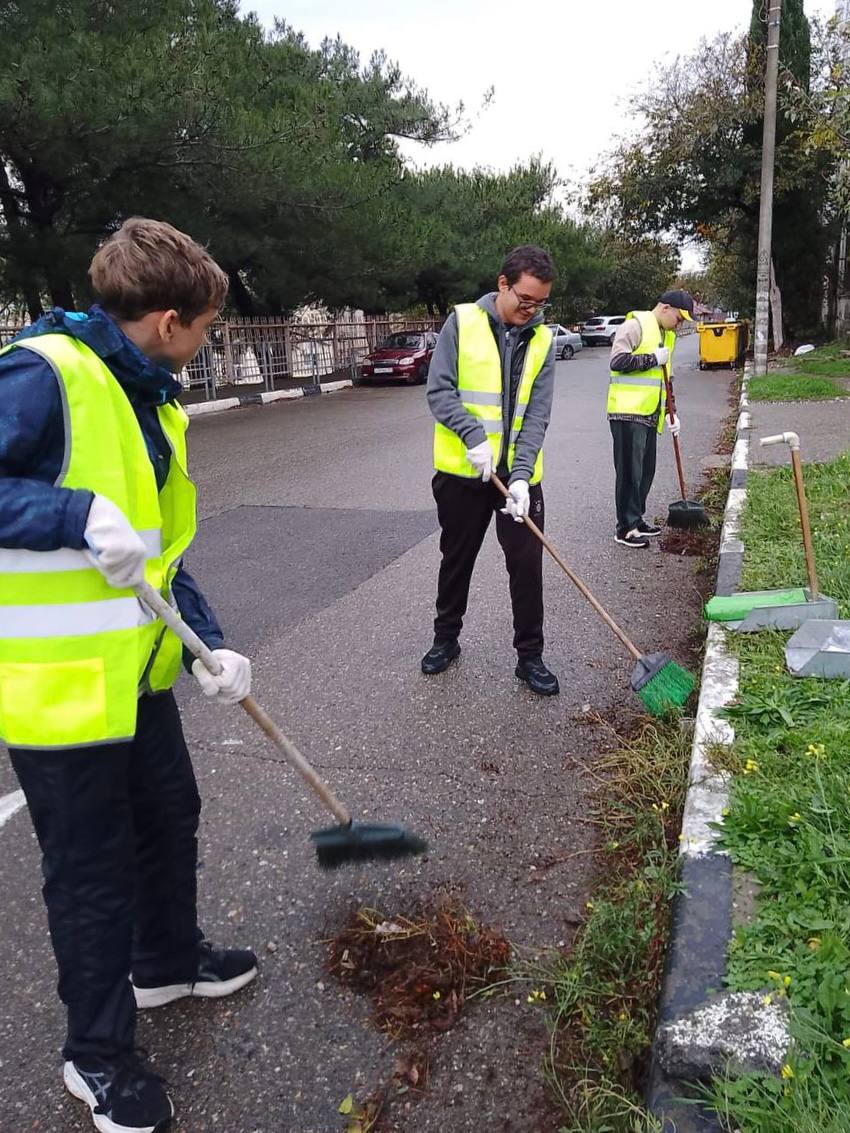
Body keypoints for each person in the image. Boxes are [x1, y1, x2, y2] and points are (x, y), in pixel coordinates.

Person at [0, 218, 257, 1133]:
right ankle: (96, 1057)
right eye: (206, 328)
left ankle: (167, 961)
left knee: (170, 815)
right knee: (91, 876)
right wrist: (68, 512)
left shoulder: (149, 396)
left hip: (136, 677)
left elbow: (157, 556)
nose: (207, 344)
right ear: (167, 320)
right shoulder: (43, 374)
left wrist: (208, 645)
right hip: (60, 694)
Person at [421, 244, 559, 696]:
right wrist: (472, 436)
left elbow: (536, 415)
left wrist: (521, 477)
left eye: (540, 303)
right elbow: (439, 391)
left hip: (516, 480)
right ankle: (446, 639)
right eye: (525, 299)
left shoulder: (543, 340)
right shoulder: (462, 322)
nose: (531, 310)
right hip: (464, 474)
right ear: (503, 284)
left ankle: (530, 657)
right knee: (457, 559)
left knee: (527, 565)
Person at [606, 289, 695, 549]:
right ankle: (625, 529)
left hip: (648, 413)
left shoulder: (666, 336)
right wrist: (652, 359)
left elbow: (666, 378)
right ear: (665, 308)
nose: (679, 325)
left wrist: (670, 411)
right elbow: (617, 361)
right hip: (626, 412)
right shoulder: (635, 326)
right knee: (629, 473)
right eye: (679, 318)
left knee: (645, 471)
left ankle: (637, 518)